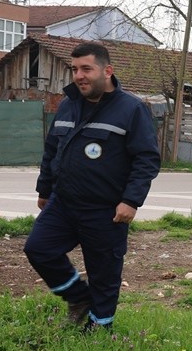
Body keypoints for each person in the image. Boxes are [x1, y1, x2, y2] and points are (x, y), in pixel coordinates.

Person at [23, 41, 161, 332]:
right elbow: (52, 149)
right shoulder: (68, 104)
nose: (79, 76)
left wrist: (131, 200)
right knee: (39, 249)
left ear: (107, 71)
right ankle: (78, 297)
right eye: (75, 69)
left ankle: (99, 329)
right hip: (64, 202)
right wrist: (44, 190)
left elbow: (146, 159)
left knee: (104, 273)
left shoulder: (131, 109)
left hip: (106, 209)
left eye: (86, 69)